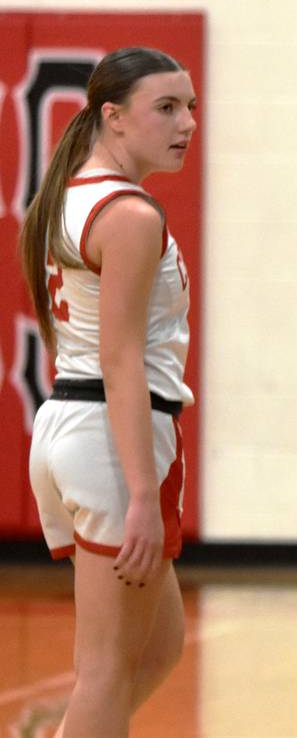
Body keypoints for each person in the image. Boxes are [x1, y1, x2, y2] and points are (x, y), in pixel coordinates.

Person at [19, 47, 198, 735]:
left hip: (68, 424)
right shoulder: (130, 215)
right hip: (109, 440)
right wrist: (144, 496)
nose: (185, 122)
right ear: (113, 117)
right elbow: (121, 361)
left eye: (189, 107)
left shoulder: (68, 195)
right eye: (166, 108)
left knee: (158, 645)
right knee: (105, 669)